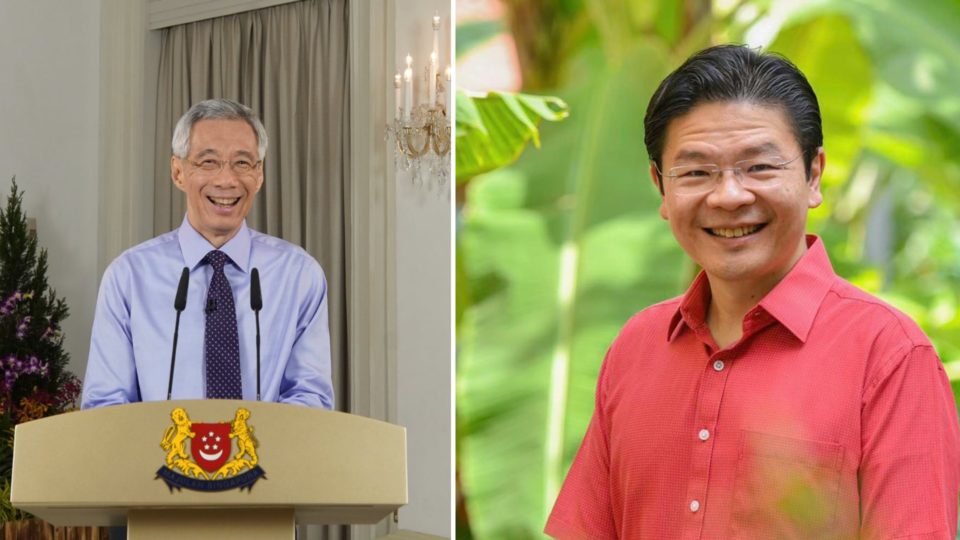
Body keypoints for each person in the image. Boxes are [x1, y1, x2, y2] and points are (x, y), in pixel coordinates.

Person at [545, 45, 960, 539]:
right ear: (661, 186)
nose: (729, 196)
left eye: (759, 167)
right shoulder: (636, 347)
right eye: (696, 172)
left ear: (813, 174)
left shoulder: (890, 356)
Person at [82, 98, 333, 410]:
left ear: (259, 175)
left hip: (266, 445)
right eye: (209, 162)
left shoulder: (299, 275)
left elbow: (310, 400)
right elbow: (106, 405)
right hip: (161, 444)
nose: (227, 180)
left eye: (242, 163)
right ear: (178, 172)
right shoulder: (128, 277)